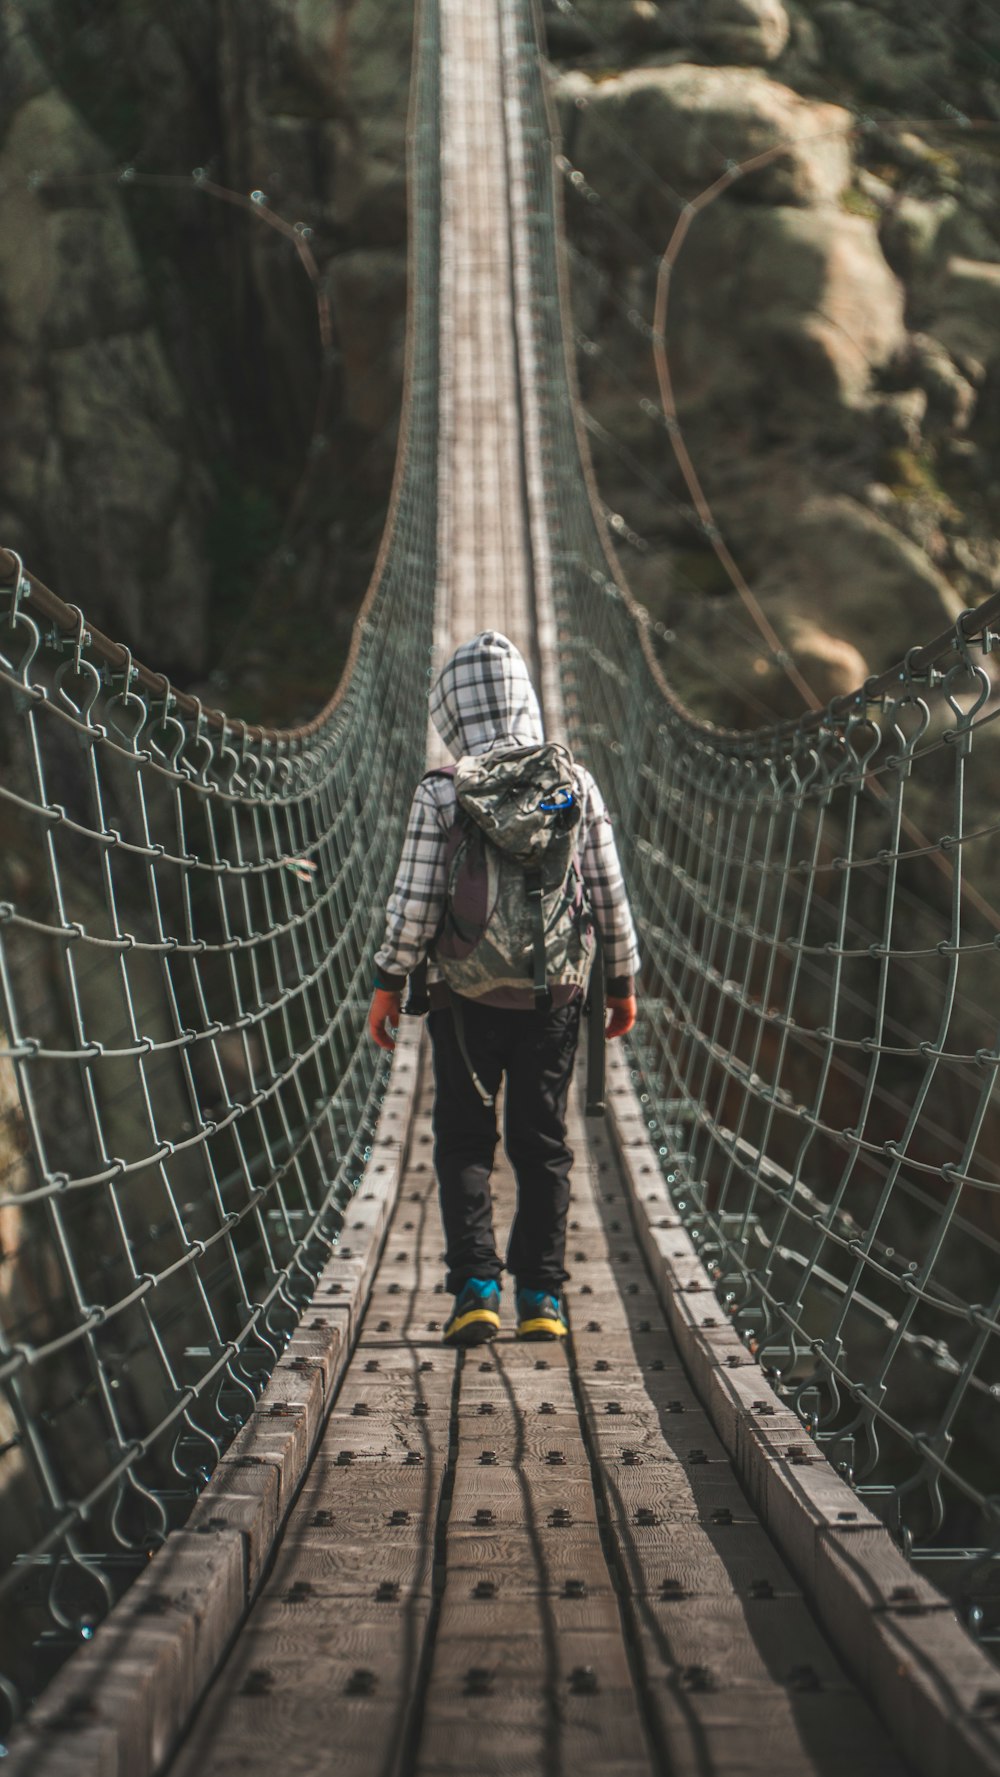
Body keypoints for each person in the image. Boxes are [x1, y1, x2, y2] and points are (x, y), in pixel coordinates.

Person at [367, 631, 639, 1345]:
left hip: (466, 998)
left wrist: (389, 980)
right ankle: (543, 1295)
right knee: (543, 1141)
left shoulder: (442, 789)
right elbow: (608, 891)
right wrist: (622, 980)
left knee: (463, 1139)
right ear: (529, 697)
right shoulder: (575, 782)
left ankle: (477, 1288)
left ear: (451, 713)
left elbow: (416, 900)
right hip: (557, 993)